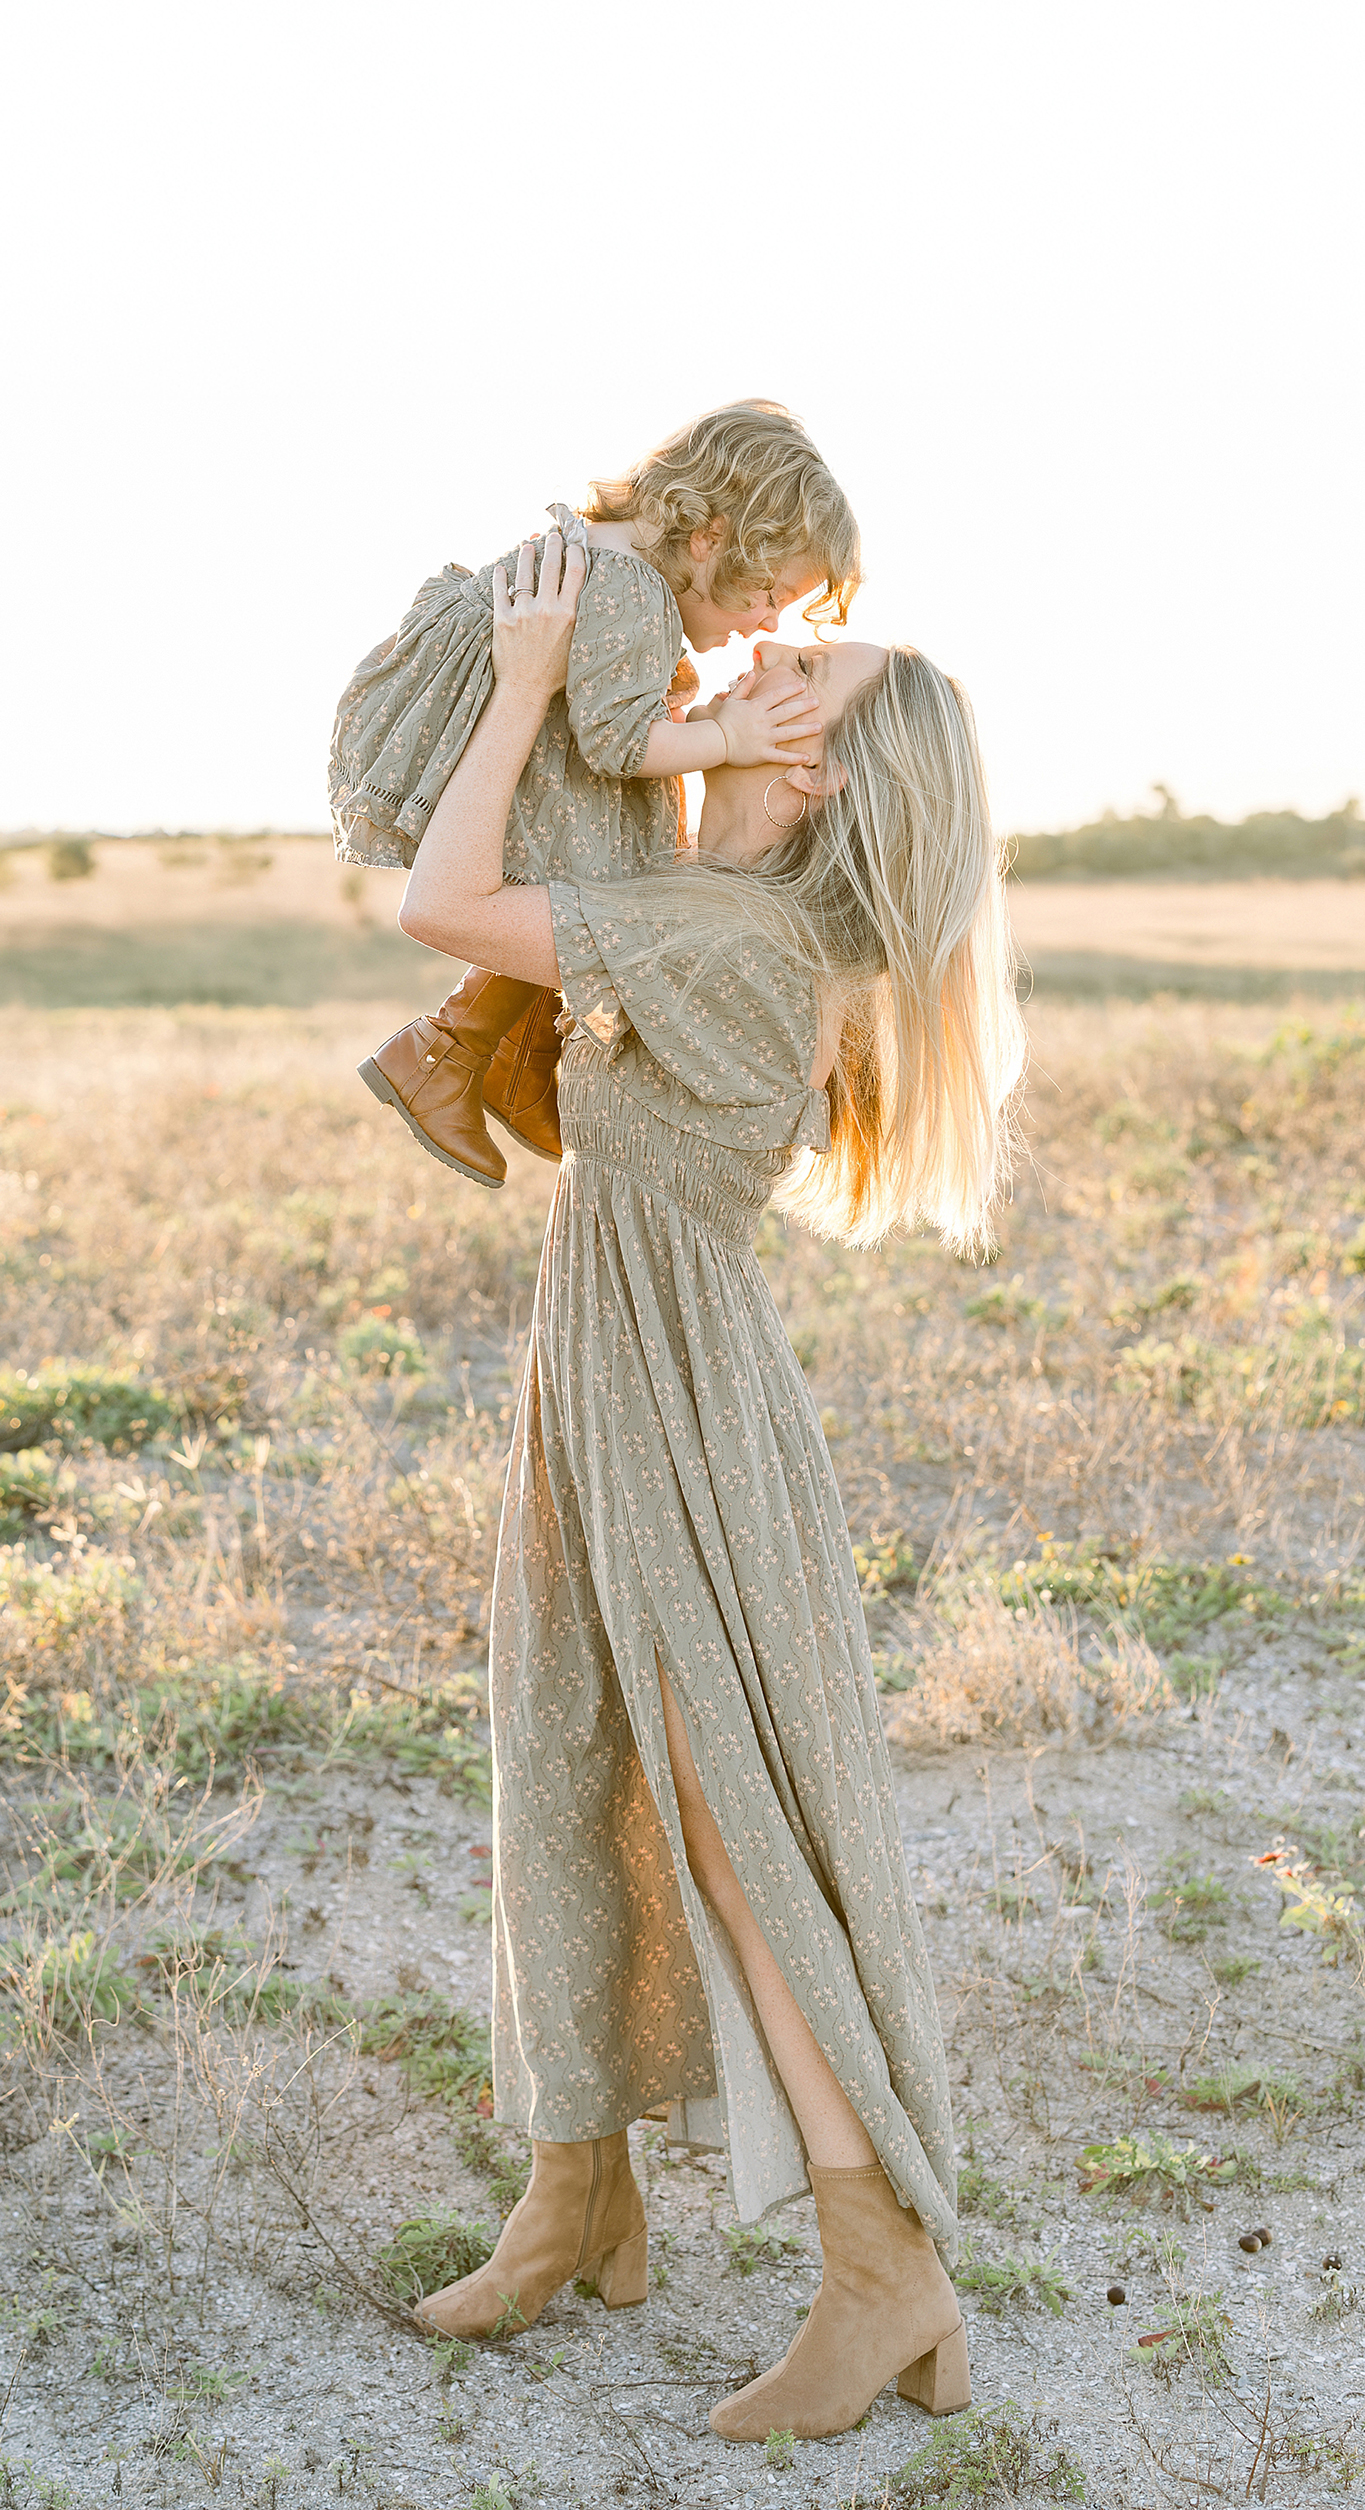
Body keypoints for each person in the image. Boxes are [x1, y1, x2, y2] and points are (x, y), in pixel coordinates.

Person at [390, 527, 1023, 2445]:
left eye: (792, 690)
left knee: (716, 1806)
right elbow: (604, 795)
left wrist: (516, 682)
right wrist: (630, 687)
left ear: (818, 772)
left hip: (664, 1385)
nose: (752, 680)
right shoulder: (715, 902)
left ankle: (876, 2266)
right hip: (625, 1360)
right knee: (574, 1751)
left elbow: (442, 900)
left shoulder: (730, 938)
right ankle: (580, 2198)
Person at [327, 401, 860, 1186]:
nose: (767, 623)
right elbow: (617, 745)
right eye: (770, 592)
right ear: (711, 537)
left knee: (597, 870)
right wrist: (728, 740)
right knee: (608, 877)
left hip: (492, 732)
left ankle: (505, 1055)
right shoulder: (633, 592)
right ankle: (451, 1052)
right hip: (500, 734)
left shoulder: (606, 566)